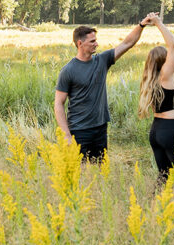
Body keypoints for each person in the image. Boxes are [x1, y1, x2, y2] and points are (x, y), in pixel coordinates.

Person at [54, 19, 151, 160]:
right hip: (79, 131)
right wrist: (66, 134)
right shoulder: (68, 70)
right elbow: (58, 103)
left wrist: (141, 25)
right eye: (92, 41)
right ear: (80, 44)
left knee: (100, 173)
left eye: (96, 40)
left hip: (100, 129)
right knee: (80, 173)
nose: (97, 44)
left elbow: (127, 43)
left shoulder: (102, 61)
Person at [138, 12, 174, 178]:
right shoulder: (165, 77)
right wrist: (158, 23)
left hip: (156, 131)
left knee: (164, 176)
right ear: (165, 61)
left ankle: (156, 203)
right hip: (171, 129)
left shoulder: (150, 80)